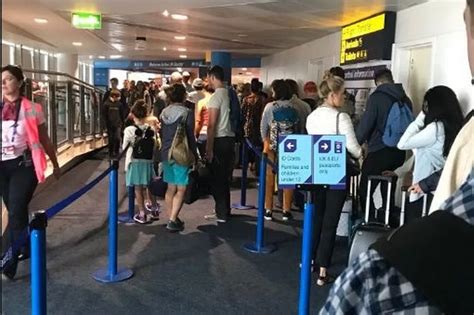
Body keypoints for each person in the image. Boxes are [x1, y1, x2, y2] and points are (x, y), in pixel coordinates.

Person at [1, 65, 61, 279]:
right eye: (2, 79)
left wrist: (55, 163)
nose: (4, 83)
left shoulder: (33, 108)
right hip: (2, 167)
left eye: (8, 79)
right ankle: (25, 245)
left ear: (19, 82)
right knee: (15, 209)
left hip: (24, 166)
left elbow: (44, 139)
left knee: (16, 209)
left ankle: (7, 260)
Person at [306, 76, 361, 286]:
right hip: (336, 172)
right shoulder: (341, 118)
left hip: (315, 171)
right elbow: (353, 148)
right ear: (332, 94)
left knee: (316, 218)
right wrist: (362, 154)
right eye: (342, 93)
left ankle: (309, 260)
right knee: (331, 222)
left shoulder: (312, 117)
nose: (344, 97)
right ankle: (323, 270)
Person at [397, 86, 464, 209]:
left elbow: (402, 144)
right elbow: (422, 154)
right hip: (440, 189)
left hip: (424, 190)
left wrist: (420, 117)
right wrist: (398, 172)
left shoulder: (435, 128)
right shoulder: (455, 126)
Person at [356, 68, 412, 211]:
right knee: (388, 189)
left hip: (379, 151)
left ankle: (369, 221)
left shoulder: (376, 97)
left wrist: (355, 145)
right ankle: (386, 220)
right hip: (399, 153)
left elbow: (366, 125)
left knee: (365, 189)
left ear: (378, 82)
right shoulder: (405, 99)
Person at [159, 84, 197, 232]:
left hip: (166, 152)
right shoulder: (187, 113)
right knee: (181, 188)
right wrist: (194, 156)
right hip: (181, 153)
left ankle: (172, 217)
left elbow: (162, 134)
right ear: (183, 96)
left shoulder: (164, 112)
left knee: (170, 187)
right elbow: (190, 137)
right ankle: (173, 219)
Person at [260, 79, 298, 221]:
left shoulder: (270, 107)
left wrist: (265, 141)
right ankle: (286, 210)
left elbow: (263, 127)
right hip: (291, 147)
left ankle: (268, 209)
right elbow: (299, 128)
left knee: (269, 178)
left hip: (272, 146)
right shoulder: (294, 107)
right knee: (288, 178)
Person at [203, 66, 235, 223]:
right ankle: (224, 211)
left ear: (213, 77)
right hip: (229, 139)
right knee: (224, 177)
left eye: (208, 78)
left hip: (219, 140)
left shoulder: (216, 97)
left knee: (217, 178)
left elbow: (211, 125)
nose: (207, 81)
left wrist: (209, 148)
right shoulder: (230, 94)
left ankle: (221, 213)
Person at [123, 100, 159, 224]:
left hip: (135, 162)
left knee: (138, 189)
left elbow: (124, 148)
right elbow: (154, 146)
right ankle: (154, 209)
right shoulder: (151, 129)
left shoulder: (129, 130)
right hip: (148, 162)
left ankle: (142, 214)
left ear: (133, 114)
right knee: (150, 186)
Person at [241, 79, 265, 174]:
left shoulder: (246, 99)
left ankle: (246, 166)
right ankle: (256, 167)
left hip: (246, 127)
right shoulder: (262, 99)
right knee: (257, 149)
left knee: (247, 148)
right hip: (257, 127)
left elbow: (242, 113)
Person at [102, 89, 125, 158]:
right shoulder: (106, 104)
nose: (118, 98)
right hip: (109, 125)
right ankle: (111, 152)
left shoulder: (119, 104)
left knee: (117, 138)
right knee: (111, 139)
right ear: (114, 96)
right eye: (117, 96)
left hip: (118, 124)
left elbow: (122, 115)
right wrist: (105, 125)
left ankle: (117, 152)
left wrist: (122, 123)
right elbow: (104, 115)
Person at [195, 82, 213, 157]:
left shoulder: (202, 102)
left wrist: (196, 133)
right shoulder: (218, 101)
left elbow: (198, 121)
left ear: (203, 90)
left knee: (203, 158)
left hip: (204, 132)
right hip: (216, 133)